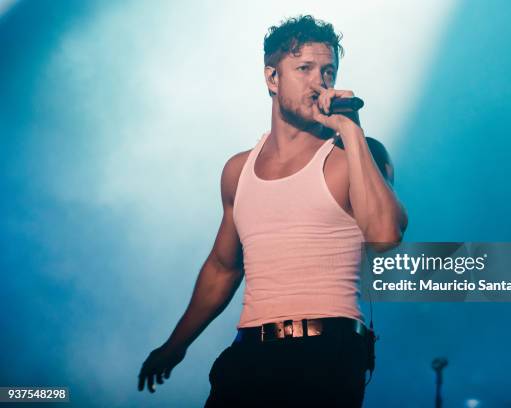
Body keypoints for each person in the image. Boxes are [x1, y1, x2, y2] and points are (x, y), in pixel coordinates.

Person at [138, 14, 408, 407]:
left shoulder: (353, 156)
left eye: (328, 70)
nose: (320, 81)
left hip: (327, 354)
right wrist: (175, 345)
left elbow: (385, 235)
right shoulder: (238, 170)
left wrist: (351, 130)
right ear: (272, 78)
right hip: (250, 352)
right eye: (304, 68)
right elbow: (223, 267)